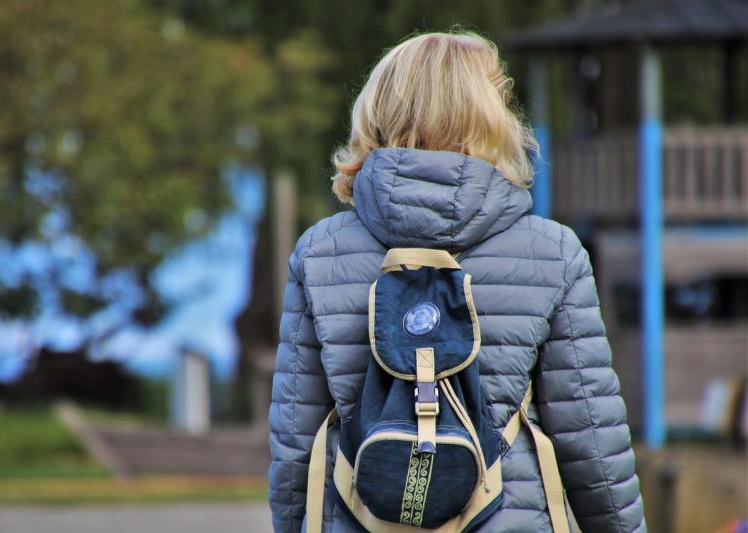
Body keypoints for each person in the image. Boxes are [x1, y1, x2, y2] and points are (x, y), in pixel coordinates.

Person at [268, 31, 646, 533]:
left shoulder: (320, 252)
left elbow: (296, 444)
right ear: (490, 117)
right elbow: (592, 440)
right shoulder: (553, 252)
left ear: (377, 110)